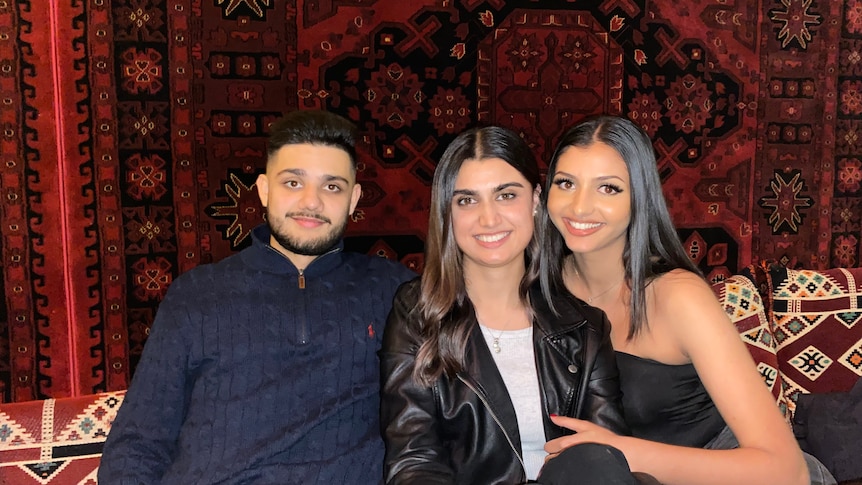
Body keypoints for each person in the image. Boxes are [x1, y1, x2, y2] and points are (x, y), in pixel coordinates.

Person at [98, 110, 416, 484]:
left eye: (332, 187)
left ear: (354, 199)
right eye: (293, 183)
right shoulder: (196, 294)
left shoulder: (395, 290)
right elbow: (139, 442)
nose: (311, 202)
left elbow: (446, 415)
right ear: (264, 190)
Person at [538, 115, 835, 485]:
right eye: (566, 183)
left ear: (639, 199)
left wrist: (621, 451)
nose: (580, 207)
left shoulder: (678, 297)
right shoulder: (542, 289)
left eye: (609, 188)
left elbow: (784, 470)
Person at [379, 125, 634, 484]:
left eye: (506, 195)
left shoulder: (585, 327)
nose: (488, 218)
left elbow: (606, 457)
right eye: (466, 200)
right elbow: (414, 459)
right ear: (447, 213)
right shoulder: (418, 314)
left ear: (534, 200)